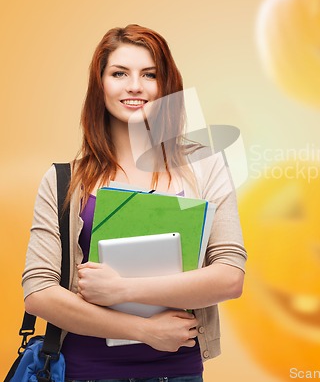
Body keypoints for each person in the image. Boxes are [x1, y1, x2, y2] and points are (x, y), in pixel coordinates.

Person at [22, 24, 247, 382]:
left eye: (149, 74)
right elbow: (39, 292)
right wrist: (143, 330)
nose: (134, 86)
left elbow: (230, 276)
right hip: (85, 373)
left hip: (179, 373)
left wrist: (124, 290)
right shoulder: (64, 180)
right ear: (100, 85)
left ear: (166, 85)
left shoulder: (204, 166)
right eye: (119, 73)